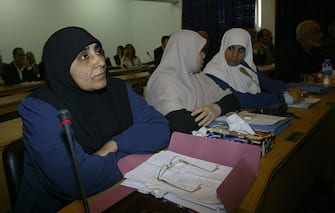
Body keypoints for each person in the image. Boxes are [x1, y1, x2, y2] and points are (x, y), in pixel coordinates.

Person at [15, 26, 170, 212]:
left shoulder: (117, 89)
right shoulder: (38, 107)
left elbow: (161, 128)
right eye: (84, 56)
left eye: (98, 51)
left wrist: (114, 145)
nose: (100, 61)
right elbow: (77, 180)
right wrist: (138, 151)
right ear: (61, 65)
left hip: (119, 190)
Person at [146, 29, 240, 134]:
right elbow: (181, 123)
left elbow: (232, 100)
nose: (204, 56)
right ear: (187, 52)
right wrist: (211, 112)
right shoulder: (163, 81)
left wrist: (215, 108)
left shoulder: (198, 76)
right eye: (200, 51)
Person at [203, 28, 304, 109]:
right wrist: (283, 98)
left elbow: (268, 83)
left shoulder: (245, 65)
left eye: (241, 50)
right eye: (231, 48)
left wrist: (290, 89)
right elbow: (237, 99)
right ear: (223, 47)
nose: (235, 55)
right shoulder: (212, 72)